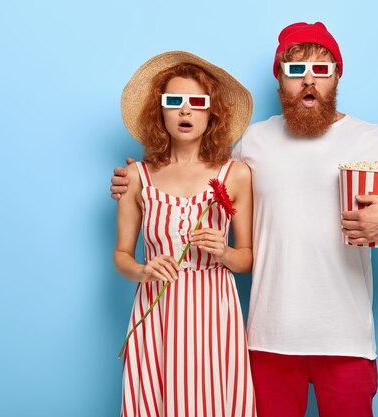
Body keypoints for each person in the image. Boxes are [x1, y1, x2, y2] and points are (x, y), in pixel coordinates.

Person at [112, 23, 378, 417]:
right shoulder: (252, 142)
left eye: (321, 70)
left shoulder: (372, 140)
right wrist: (135, 179)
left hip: (345, 340)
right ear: (279, 79)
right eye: (296, 71)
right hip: (268, 339)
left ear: (337, 76)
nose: (309, 81)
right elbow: (200, 172)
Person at [114, 50, 256, 417]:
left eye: (197, 102)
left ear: (213, 112)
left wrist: (222, 253)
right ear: (160, 111)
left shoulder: (236, 174)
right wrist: (143, 271)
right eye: (174, 101)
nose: (185, 111)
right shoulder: (135, 177)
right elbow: (121, 257)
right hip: (156, 310)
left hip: (214, 312)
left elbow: (247, 258)